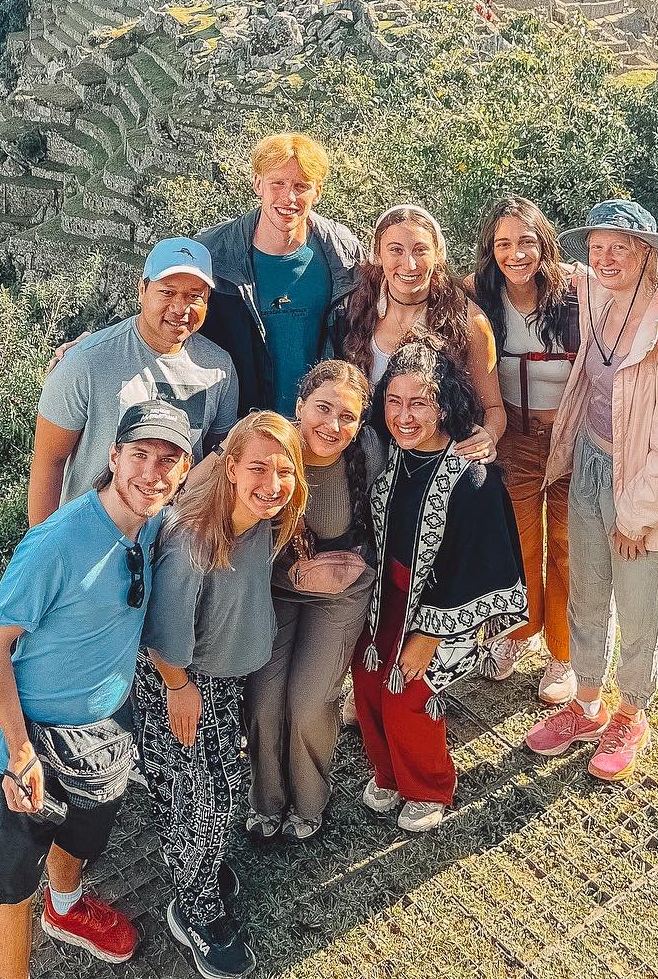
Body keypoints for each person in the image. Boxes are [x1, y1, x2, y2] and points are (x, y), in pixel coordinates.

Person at [0, 399, 195, 977]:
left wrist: (176, 684)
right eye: (139, 455)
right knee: (9, 885)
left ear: (184, 472)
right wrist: (19, 754)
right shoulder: (57, 543)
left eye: (169, 460)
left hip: (106, 730)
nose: (152, 472)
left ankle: (64, 910)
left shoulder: (154, 526)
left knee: (81, 838)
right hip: (30, 742)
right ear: (113, 457)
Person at [526, 199, 658, 782]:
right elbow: (527, 268)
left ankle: (631, 713)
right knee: (587, 589)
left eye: (619, 247)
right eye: (596, 248)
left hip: (645, 486)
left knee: (640, 607)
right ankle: (587, 704)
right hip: (590, 462)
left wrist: (636, 517)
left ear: (646, 254)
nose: (605, 258)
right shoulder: (596, 295)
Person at [136, 412, 308, 979]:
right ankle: (195, 909)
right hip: (180, 678)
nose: (272, 483)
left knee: (208, 788)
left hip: (220, 675)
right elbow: (161, 632)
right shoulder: (193, 538)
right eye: (257, 467)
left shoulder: (261, 520)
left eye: (284, 470)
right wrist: (179, 688)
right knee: (204, 800)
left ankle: (197, 869)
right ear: (228, 467)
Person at [352, 340, 526, 833]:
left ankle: (428, 785)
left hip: (443, 608)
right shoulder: (391, 457)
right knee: (367, 682)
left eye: (419, 403)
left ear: (444, 403)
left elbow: (476, 566)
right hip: (387, 599)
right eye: (394, 402)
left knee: (406, 691)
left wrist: (427, 635)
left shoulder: (471, 476)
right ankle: (387, 774)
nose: (404, 416)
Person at [244, 359, 382, 844]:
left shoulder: (369, 452)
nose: (333, 425)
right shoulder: (274, 450)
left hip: (342, 592)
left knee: (308, 701)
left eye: (348, 416)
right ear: (299, 407)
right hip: (276, 589)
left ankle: (308, 802)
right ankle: (267, 800)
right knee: (263, 697)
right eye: (323, 409)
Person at [28, 237, 238, 524]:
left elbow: (215, 458)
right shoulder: (87, 362)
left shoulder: (218, 368)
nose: (180, 308)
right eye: (167, 292)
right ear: (142, 289)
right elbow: (48, 460)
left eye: (194, 296)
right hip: (92, 533)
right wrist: (42, 547)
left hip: (174, 539)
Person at [466, 197, 579, 704]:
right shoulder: (478, 297)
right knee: (518, 544)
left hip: (575, 438)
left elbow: (643, 294)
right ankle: (514, 634)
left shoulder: (577, 294)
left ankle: (563, 653)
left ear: (544, 245)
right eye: (504, 243)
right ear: (491, 251)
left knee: (570, 548)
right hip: (514, 435)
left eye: (526, 241)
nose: (516, 254)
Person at [196, 133, 363, 417]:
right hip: (241, 430)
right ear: (258, 184)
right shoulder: (213, 254)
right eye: (278, 183)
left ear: (318, 191)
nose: (289, 197)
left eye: (301, 186)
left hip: (320, 431)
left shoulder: (344, 253)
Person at [337, 204, 506, 458]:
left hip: (435, 462)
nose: (409, 263)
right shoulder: (355, 311)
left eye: (420, 250)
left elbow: (493, 408)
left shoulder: (469, 320)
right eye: (396, 250)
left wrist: (489, 435)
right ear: (378, 254)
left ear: (437, 254)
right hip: (367, 461)